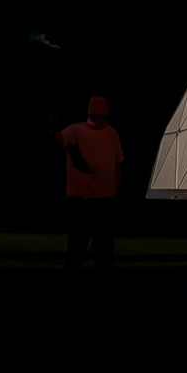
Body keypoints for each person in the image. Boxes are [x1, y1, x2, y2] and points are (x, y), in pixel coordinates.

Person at [55, 96, 127, 276]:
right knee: (80, 246)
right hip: (82, 198)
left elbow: (117, 163)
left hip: (101, 198)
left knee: (99, 247)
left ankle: (95, 276)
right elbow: (58, 141)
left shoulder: (111, 134)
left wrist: (115, 189)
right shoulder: (76, 130)